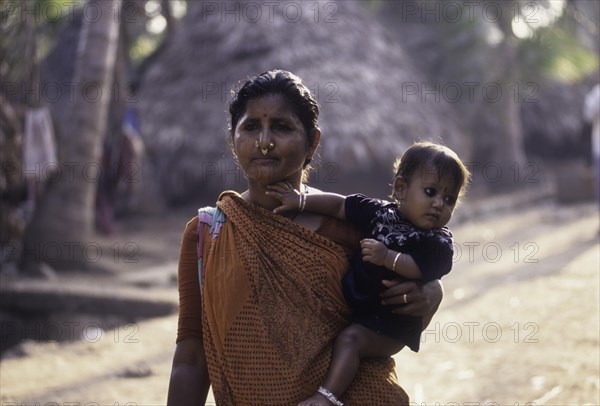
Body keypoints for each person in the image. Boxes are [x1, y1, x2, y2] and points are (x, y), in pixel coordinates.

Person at [166, 70, 445, 406]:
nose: (264, 141)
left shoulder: (356, 227)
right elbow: (192, 355)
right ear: (232, 139)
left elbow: (392, 322)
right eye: (251, 127)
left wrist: (431, 290)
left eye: (282, 127)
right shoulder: (206, 235)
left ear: (312, 141)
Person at [267, 141, 470, 406]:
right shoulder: (380, 212)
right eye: (430, 192)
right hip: (360, 309)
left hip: (390, 324)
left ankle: (327, 397)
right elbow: (341, 205)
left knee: (351, 340)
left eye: (448, 199)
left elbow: (424, 267)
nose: (438, 204)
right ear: (401, 188)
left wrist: (388, 257)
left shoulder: (437, 240)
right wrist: (302, 201)